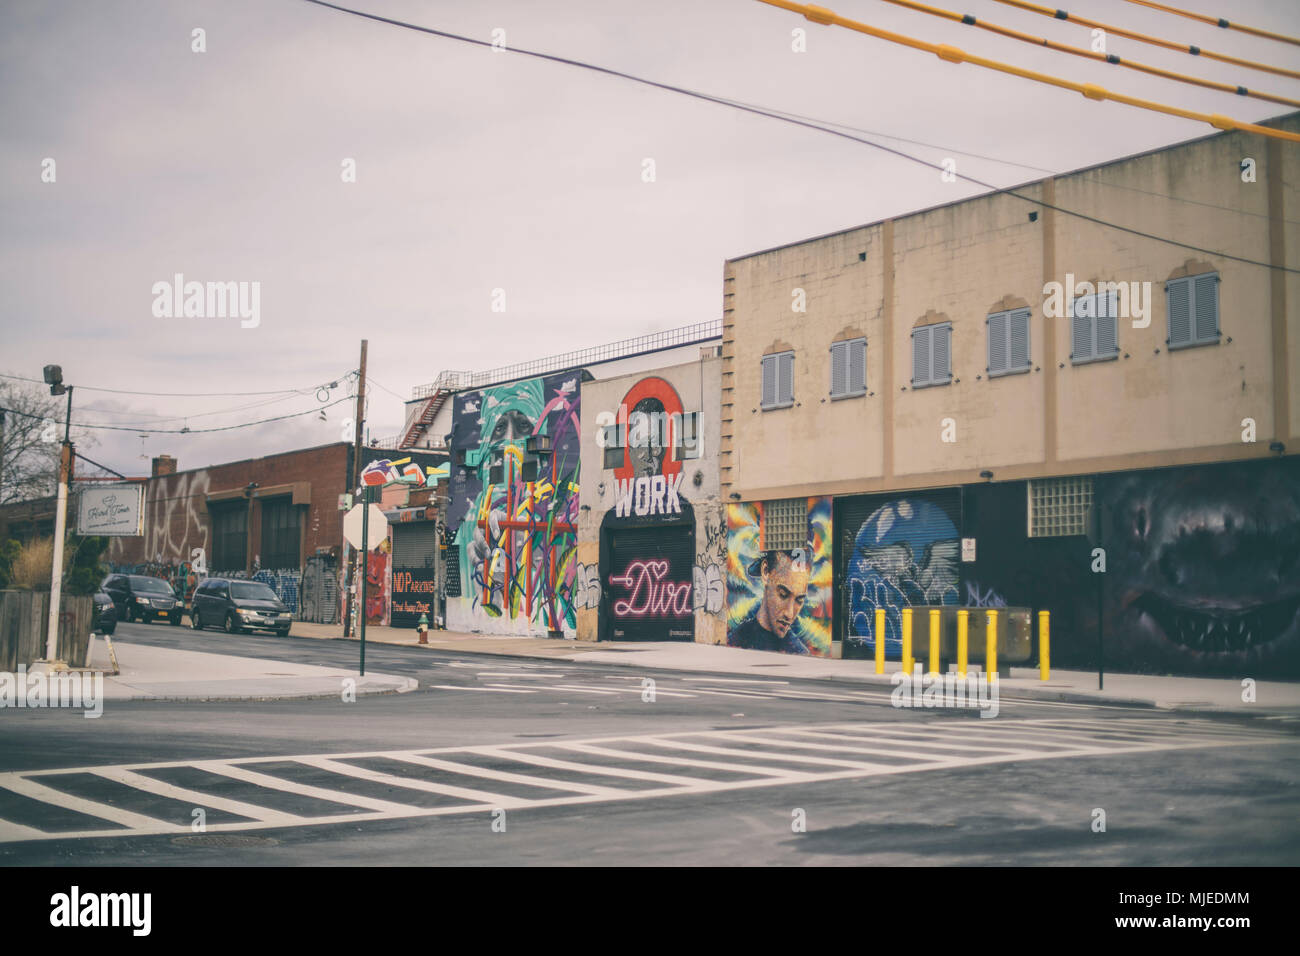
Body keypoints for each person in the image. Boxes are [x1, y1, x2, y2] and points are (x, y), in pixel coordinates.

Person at [729, 549, 813, 654]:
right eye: (783, 594)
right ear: (765, 572)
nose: (789, 614)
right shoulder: (735, 641)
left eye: (799, 601)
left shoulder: (800, 652)